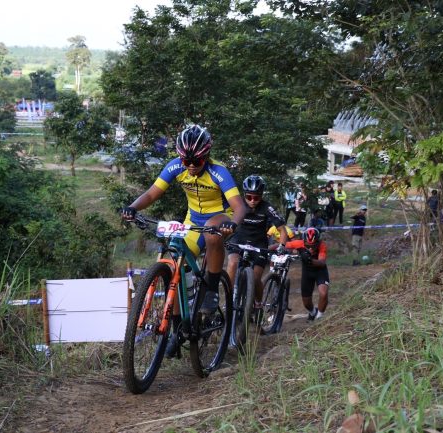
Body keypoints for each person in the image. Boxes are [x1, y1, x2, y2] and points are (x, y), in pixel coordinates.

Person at [121, 124, 246, 357]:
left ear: (206, 156)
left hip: (220, 216)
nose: (190, 166)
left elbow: (239, 206)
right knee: (176, 266)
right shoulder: (175, 166)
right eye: (185, 161)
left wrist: (233, 224)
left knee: (211, 232)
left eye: (196, 162)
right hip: (192, 219)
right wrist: (132, 207)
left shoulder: (219, 172)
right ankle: (178, 329)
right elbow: (151, 194)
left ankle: (210, 288)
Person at [226, 175, 289, 310]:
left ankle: (258, 304)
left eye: (256, 197)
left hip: (259, 244)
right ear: (244, 195)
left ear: (261, 196)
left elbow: (282, 230)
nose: (253, 201)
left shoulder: (267, 207)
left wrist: (282, 246)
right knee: (232, 263)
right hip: (238, 239)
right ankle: (229, 297)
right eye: (249, 197)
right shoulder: (237, 204)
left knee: (255, 278)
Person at [285, 227, 329, 321]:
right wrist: (267, 248)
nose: (310, 248)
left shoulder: (322, 245)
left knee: (323, 293)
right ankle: (313, 312)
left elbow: (322, 262)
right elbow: (283, 245)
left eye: (313, 245)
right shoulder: (299, 243)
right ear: (304, 241)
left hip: (320, 271)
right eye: (308, 245)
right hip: (307, 273)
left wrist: (309, 260)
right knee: (306, 303)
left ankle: (319, 317)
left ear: (318, 241)